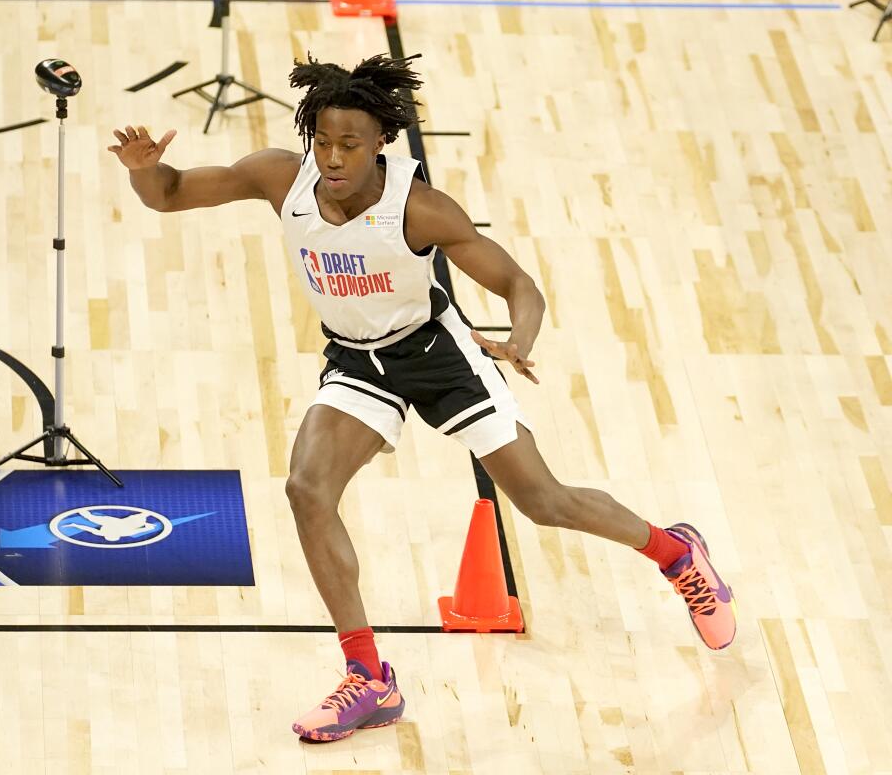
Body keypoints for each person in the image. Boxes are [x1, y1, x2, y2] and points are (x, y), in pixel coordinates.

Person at [108, 53, 736, 743]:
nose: (334, 157)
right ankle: (369, 679)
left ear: (383, 142)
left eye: (350, 144)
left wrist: (519, 339)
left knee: (542, 502)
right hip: (356, 361)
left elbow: (520, 284)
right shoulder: (279, 176)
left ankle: (675, 554)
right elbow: (169, 194)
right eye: (323, 140)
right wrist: (144, 169)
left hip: (436, 357)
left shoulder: (421, 209)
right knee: (306, 490)